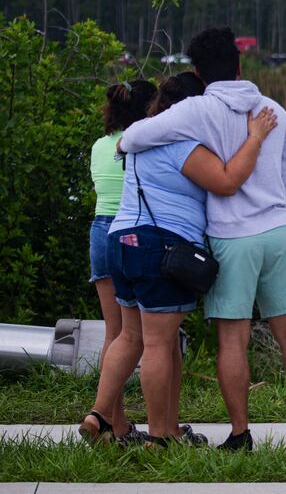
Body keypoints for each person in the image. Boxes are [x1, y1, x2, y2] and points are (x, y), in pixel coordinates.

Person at [119, 27, 286, 451]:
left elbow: (138, 136)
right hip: (277, 230)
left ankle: (240, 434)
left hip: (232, 238)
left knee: (233, 340)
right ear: (240, 64)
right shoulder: (274, 109)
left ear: (198, 70)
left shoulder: (197, 109)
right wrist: (273, 208)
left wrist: (123, 141)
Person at [81, 72, 278, 446]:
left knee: (129, 336)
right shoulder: (181, 145)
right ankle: (160, 437)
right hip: (159, 246)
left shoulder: (137, 142)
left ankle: (100, 414)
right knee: (158, 345)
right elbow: (226, 181)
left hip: (119, 241)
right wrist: (255, 138)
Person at [88, 80, 157, 442]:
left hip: (99, 231)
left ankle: (115, 422)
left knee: (112, 334)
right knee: (135, 336)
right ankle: (109, 420)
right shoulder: (140, 144)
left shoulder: (100, 146)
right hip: (128, 232)